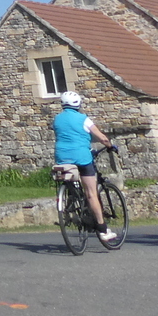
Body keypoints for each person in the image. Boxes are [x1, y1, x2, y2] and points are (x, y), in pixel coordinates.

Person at [52, 91, 118, 243]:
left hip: (62, 158)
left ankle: (71, 203)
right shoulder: (83, 119)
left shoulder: (57, 119)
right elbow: (101, 138)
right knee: (91, 194)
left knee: (71, 179)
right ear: (78, 104)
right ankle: (102, 229)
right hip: (82, 157)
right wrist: (110, 146)